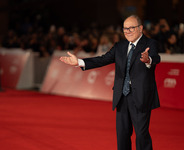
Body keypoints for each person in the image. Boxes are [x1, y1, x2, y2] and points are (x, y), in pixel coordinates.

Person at [60, 15, 160, 150]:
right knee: (122, 135)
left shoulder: (150, 44)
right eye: (125, 28)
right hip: (122, 97)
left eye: (131, 28)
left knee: (142, 136)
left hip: (141, 97)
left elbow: (156, 58)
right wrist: (79, 62)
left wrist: (148, 60)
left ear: (140, 28)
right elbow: (103, 59)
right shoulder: (120, 46)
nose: (128, 31)